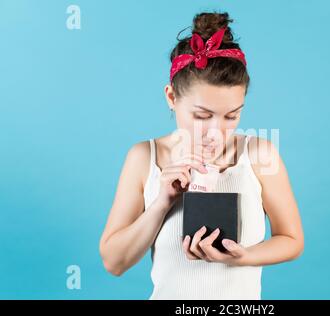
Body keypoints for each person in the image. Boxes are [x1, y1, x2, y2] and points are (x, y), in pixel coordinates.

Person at [99, 11, 304, 300]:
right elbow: (114, 262)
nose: (216, 132)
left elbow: (291, 240)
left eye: (232, 116)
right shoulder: (144, 157)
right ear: (171, 98)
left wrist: (241, 257)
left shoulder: (259, 155)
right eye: (202, 116)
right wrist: (161, 203)